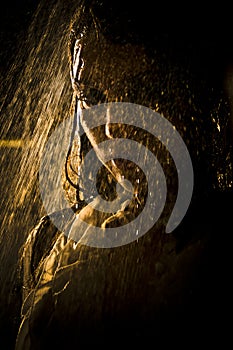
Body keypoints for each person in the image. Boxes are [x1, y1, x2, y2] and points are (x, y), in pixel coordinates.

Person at [15, 1, 233, 348]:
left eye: (138, 93)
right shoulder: (50, 246)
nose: (114, 126)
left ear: (188, 92)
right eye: (92, 96)